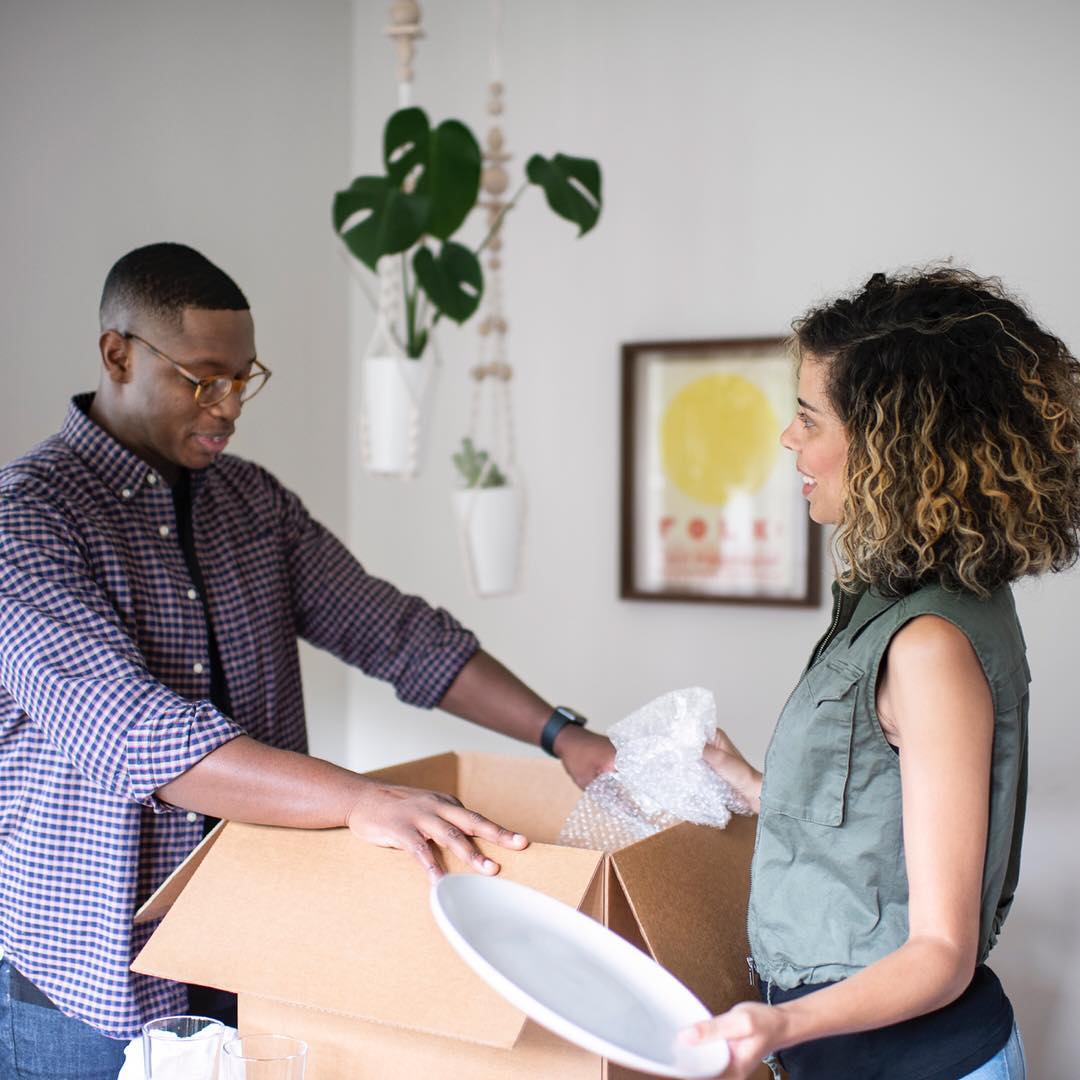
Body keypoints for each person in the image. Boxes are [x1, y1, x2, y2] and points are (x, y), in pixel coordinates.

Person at [0, 242, 615, 1078]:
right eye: (202, 378)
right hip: (88, 985)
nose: (227, 408)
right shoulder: (26, 518)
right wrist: (360, 800)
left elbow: (397, 632)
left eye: (243, 380)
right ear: (118, 354)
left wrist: (562, 736)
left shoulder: (252, 503)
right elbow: (135, 733)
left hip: (254, 942)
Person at [680, 267, 1080, 1079]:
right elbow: (876, 826)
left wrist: (777, 1023)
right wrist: (747, 782)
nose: (789, 439)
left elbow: (940, 952)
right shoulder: (906, 601)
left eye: (807, 416)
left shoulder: (929, 646)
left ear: (896, 449)